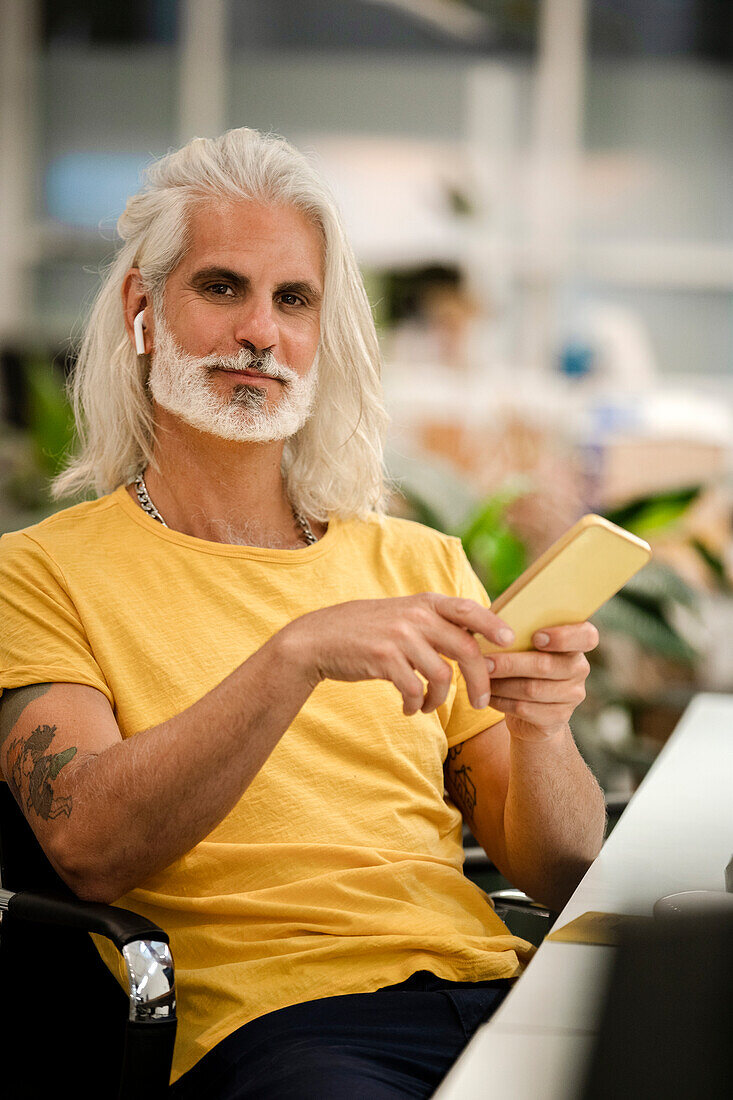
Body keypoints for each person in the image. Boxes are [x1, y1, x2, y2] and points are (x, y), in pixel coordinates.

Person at [0, 128, 605, 1098]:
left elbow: (563, 871)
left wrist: (542, 732)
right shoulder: (37, 573)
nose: (259, 332)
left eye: (293, 299)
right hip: (282, 1031)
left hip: (494, 992)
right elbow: (91, 843)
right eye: (221, 287)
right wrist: (295, 655)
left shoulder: (417, 560)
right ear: (142, 308)